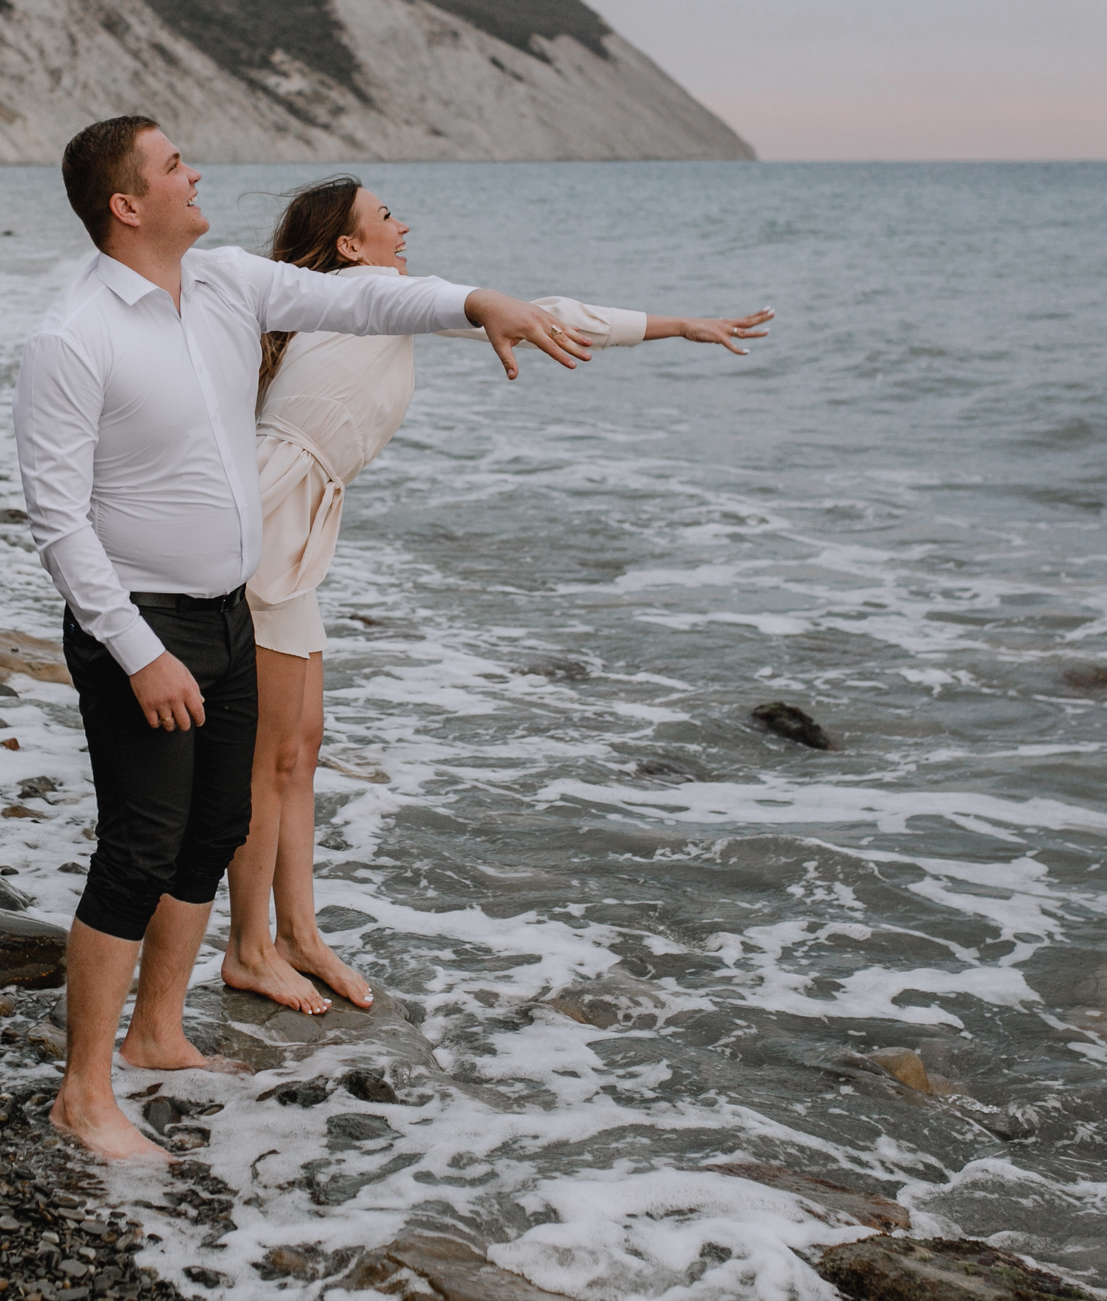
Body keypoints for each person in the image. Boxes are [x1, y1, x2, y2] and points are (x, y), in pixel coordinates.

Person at [13, 117, 594, 1162]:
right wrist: (138, 652)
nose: (198, 174)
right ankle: (83, 1093)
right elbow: (56, 521)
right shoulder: (74, 336)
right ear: (127, 204)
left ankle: (157, 1032)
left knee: (209, 832)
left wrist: (477, 300)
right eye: (174, 166)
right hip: (140, 626)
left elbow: (362, 295)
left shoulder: (230, 282)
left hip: (234, 614)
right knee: (138, 849)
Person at [221, 175, 772, 1015]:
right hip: (268, 524)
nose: (404, 225)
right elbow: (465, 301)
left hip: (296, 525)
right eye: (385, 217)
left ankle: (297, 934)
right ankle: (249, 948)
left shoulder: (360, 300)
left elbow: (543, 310)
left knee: (302, 749)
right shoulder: (360, 291)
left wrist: (676, 326)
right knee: (268, 761)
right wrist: (485, 304)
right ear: (348, 247)